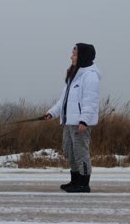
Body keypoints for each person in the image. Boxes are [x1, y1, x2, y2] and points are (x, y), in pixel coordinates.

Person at [42, 43, 101, 193]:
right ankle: (75, 181)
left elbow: (91, 101)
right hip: (69, 122)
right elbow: (63, 100)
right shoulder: (74, 75)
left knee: (81, 152)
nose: (71, 57)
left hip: (80, 123)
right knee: (69, 150)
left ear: (82, 56)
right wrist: (52, 113)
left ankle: (83, 183)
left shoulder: (90, 76)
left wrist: (84, 120)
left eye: (74, 54)